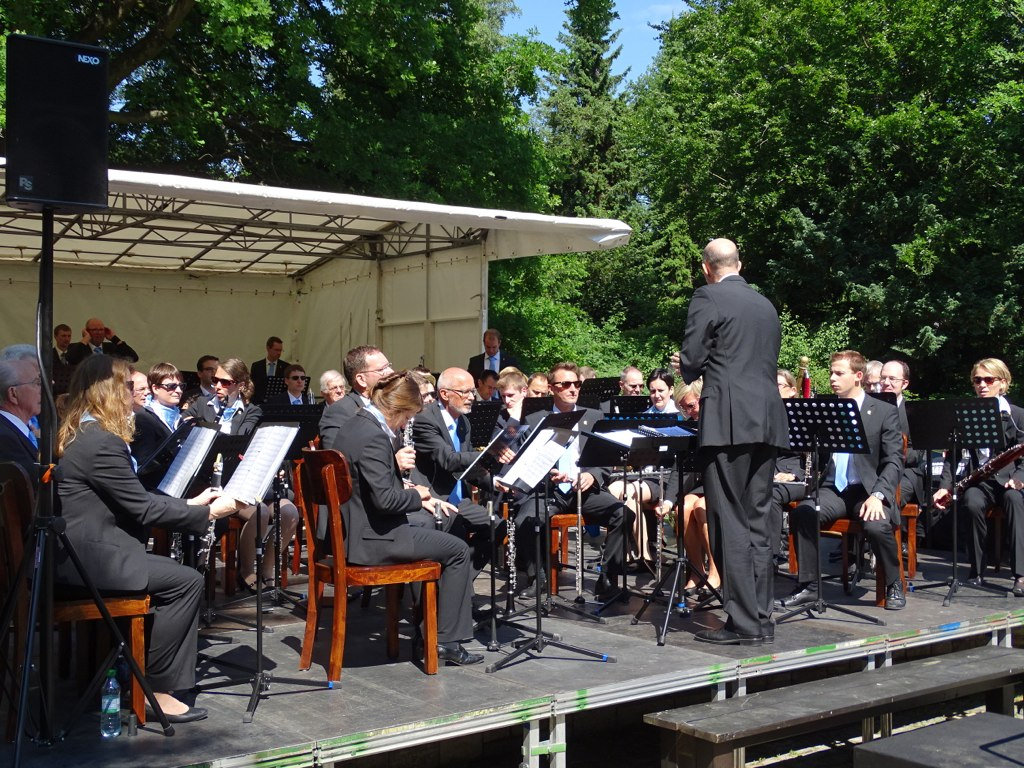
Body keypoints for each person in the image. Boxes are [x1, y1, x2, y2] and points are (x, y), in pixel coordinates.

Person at [55, 355, 240, 722]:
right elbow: (142, 510)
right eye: (127, 386)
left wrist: (188, 503)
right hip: (92, 559)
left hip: (82, 551)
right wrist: (209, 514)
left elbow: (132, 499)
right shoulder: (102, 442)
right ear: (108, 391)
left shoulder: (85, 431)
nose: (135, 393)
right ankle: (157, 689)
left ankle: (132, 672)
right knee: (185, 581)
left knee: (173, 572)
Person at [672, 238, 789, 646]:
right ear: (740, 262)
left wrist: (684, 363)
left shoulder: (708, 296)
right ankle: (761, 616)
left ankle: (742, 623)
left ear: (707, 267)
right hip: (768, 422)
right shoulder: (766, 305)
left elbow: (690, 362)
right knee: (758, 520)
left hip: (727, 424)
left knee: (730, 522)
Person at [331, 370, 483, 665]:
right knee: (458, 550)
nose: (404, 425)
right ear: (396, 409)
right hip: (374, 539)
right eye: (406, 417)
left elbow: (371, 485)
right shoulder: (374, 436)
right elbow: (386, 500)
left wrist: (407, 487)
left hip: (359, 528)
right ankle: (446, 642)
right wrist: (420, 496)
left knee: (438, 527)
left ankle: (429, 633)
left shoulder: (354, 426)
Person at [779, 350, 906, 611]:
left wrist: (879, 495)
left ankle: (894, 583)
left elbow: (894, 460)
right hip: (833, 488)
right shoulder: (826, 409)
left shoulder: (883, 411)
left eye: (839, 373)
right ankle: (809, 587)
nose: (832, 378)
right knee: (804, 513)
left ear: (858, 376)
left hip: (867, 489)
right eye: (831, 372)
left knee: (876, 526)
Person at [512, 362, 631, 598]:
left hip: (583, 489)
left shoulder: (594, 416)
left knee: (624, 514)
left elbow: (607, 458)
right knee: (525, 520)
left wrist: (592, 475)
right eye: (565, 384)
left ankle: (607, 577)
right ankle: (538, 577)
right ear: (552, 388)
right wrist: (549, 475)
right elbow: (525, 461)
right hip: (549, 489)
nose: (572, 388)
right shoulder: (536, 420)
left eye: (576, 383)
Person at [186, 358, 299, 589]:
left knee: (289, 511)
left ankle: (267, 569)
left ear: (240, 384)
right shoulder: (200, 406)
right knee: (259, 513)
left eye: (225, 382)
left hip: (247, 478)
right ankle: (246, 571)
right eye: (215, 380)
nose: (217, 385)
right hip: (216, 483)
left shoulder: (251, 410)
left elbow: (243, 439)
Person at [932, 358, 1024, 594]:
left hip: (1011, 480)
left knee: (1015, 500)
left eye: (988, 380)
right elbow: (951, 456)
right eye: (977, 380)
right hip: (979, 481)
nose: (982, 385)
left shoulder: (1017, 416)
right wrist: (945, 486)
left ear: (1002, 383)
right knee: (971, 503)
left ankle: (1021, 574)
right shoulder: (967, 414)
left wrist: (1020, 477)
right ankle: (977, 569)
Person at [409, 367, 497, 574]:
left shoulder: (463, 421)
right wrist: (489, 453)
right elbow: (448, 460)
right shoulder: (425, 419)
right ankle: (456, 590)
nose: (471, 397)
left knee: (496, 525)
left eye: (472, 392)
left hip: (460, 499)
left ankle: (461, 583)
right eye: (464, 392)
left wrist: (495, 483)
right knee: (456, 531)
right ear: (444, 394)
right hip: (436, 500)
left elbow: (467, 467)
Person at [319, 346, 394, 449]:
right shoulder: (340, 412)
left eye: (388, 366)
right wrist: (393, 461)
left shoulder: (390, 403)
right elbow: (336, 458)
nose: (391, 372)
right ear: (361, 379)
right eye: (382, 369)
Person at [131, 362, 186, 489]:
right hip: (154, 491)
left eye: (181, 386)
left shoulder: (180, 418)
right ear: (155, 388)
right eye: (171, 386)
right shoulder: (144, 418)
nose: (178, 391)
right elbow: (143, 467)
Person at [0, 344, 41, 481]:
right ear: (13, 393)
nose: (43, 389)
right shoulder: (5, 438)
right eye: (37, 383)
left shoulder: (21, 429)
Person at [64, 317, 139, 365]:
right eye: (94, 330)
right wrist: (85, 339)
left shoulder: (111, 347)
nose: (99, 333)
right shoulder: (79, 347)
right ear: (87, 331)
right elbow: (70, 358)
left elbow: (133, 358)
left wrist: (115, 339)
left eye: (101, 330)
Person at [250, 336, 289, 404]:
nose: (279, 353)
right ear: (268, 348)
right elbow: (252, 387)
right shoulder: (256, 366)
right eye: (276, 350)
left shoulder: (286, 367)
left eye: (280, 350)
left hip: (279, 403)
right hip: (259, 403)